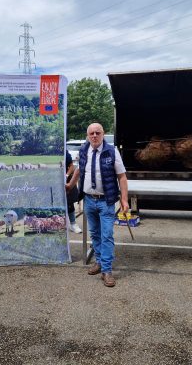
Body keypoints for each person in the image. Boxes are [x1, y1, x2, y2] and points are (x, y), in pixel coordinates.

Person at [68, 123, 129, 287]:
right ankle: (100, 261)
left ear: (103, 134)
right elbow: (79, 170)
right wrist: (71, 185)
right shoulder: (83, 150)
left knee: (107, 235)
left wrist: (124, 199)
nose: (94, 136)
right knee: (95, 234)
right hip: (88, 200)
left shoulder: (112, 151)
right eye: (91, 133)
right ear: (87, 135)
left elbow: (122, 177)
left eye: (97, 133)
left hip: (106, 201)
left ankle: (107, 271)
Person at [65, 150, 82, 233]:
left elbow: (71, 166)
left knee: (69, 202)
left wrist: (66, 175)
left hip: (65, 180)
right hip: (50, 180)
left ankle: (73, 224)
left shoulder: (64, 150)